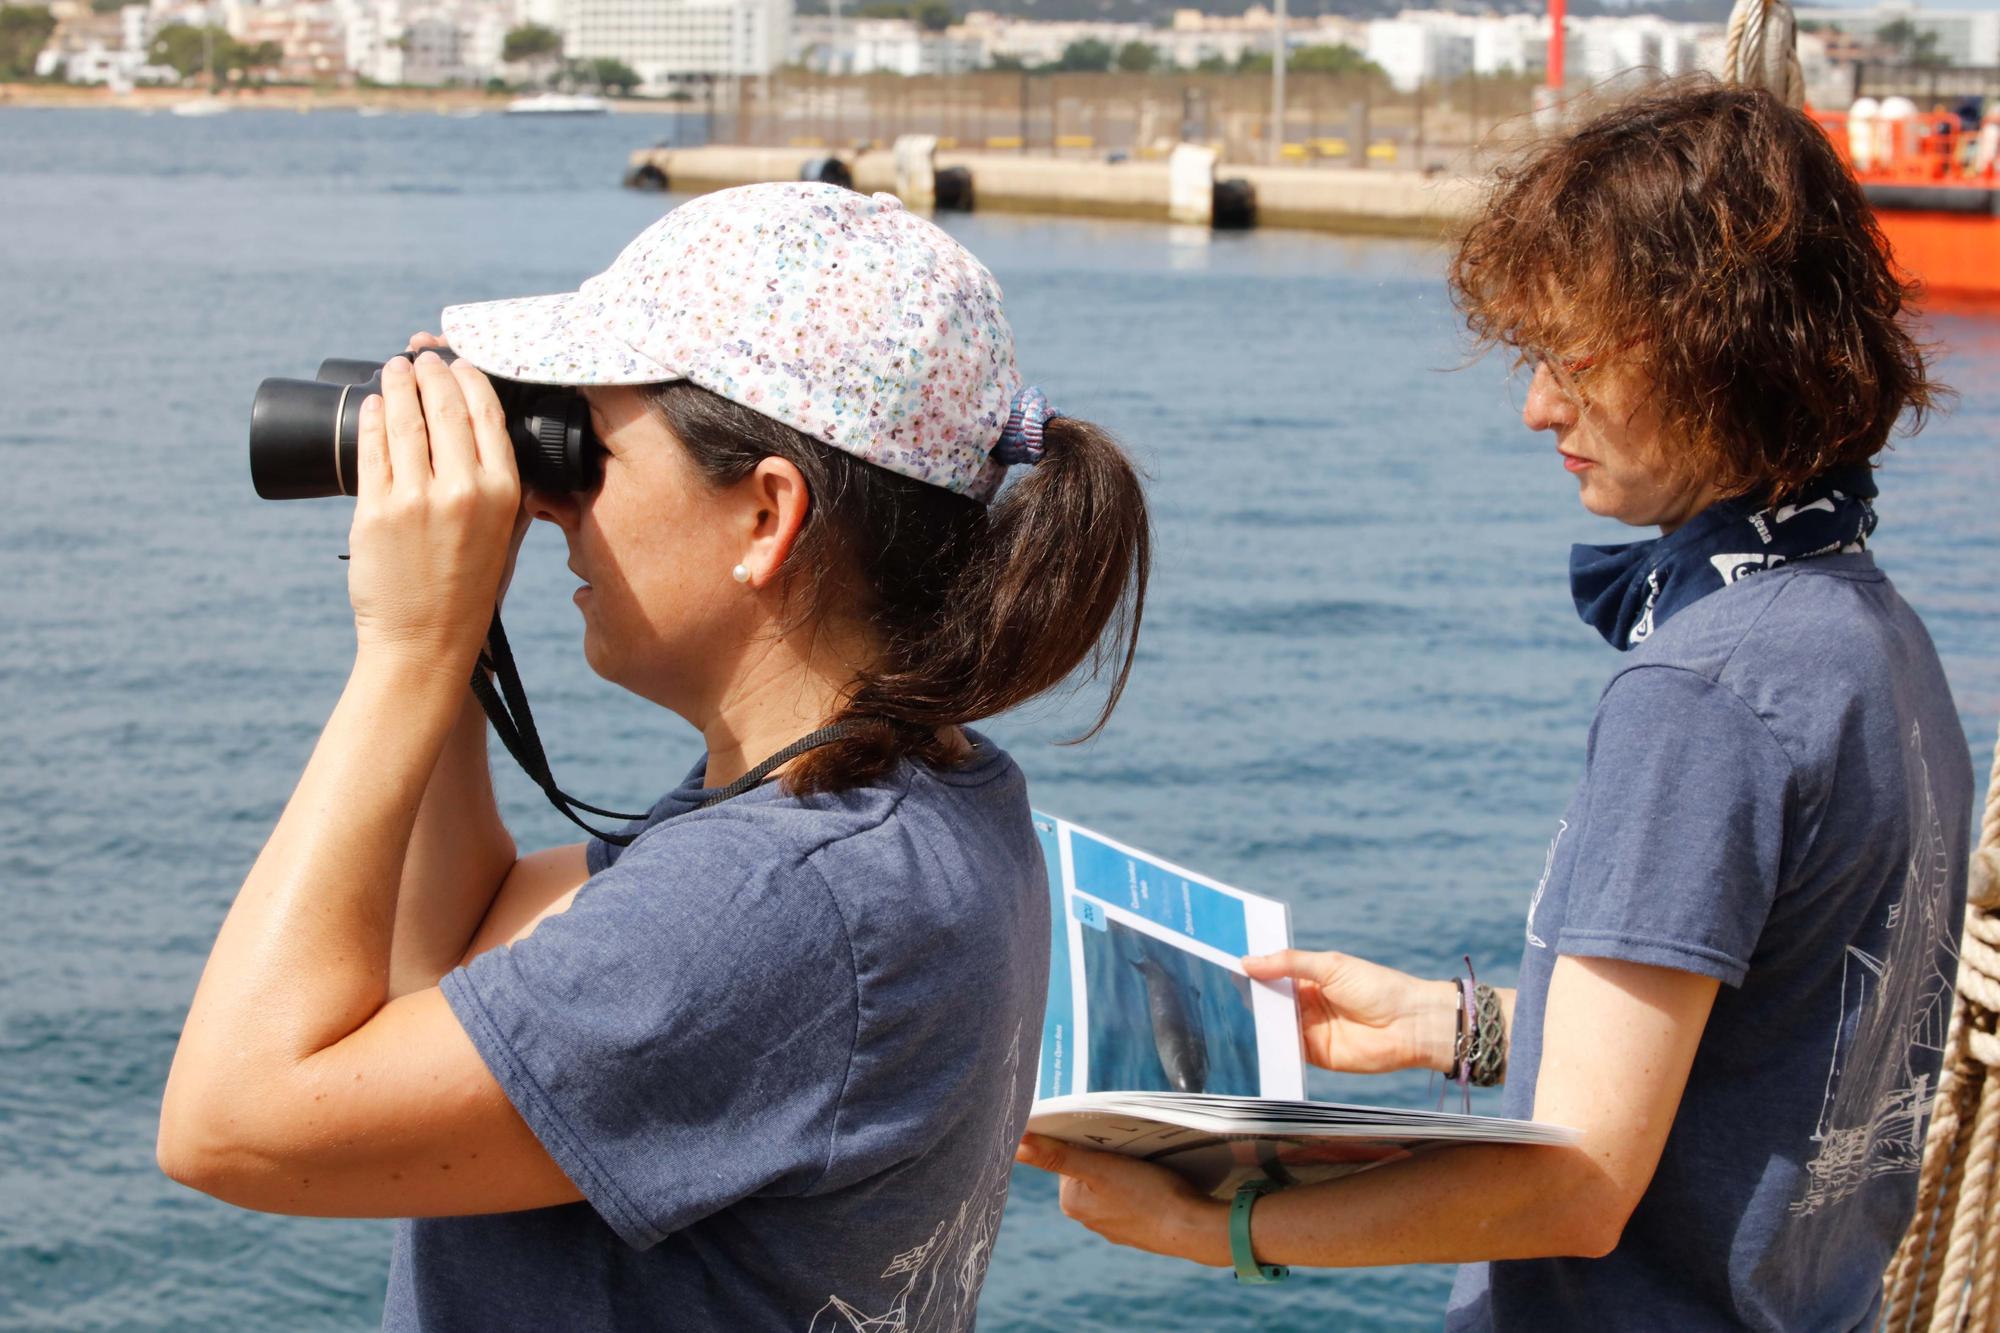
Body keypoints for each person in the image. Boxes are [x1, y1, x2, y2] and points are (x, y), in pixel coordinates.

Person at [1016, 81, 1972, 1331]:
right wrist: (1444, 1024)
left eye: (1572, 358)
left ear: (1717, 347)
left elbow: (1572, 1185)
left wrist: (1223, 1227)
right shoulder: (1868, 636)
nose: (1536, 407)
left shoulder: (1699, 690)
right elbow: (1776, 1035)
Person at [157, 182, 1150, 1331]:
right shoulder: (903, 799)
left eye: (590, 445)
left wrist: (405, 650)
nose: (558, 507)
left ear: (765, 516)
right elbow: (448, 949)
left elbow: (230, 1121)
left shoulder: (784, 899)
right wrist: (458, 632)